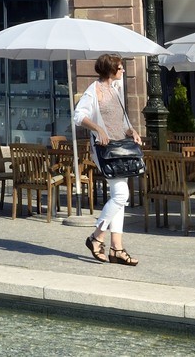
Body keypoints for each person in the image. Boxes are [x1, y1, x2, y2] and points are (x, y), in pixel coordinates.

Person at [73, 53, 141, 267]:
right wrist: (98, 128)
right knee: (122, 195)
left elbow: (122, 122)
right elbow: (78, 116)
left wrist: (132, 131)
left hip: (122, 148)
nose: (123, 71)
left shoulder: (116, 90)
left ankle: (117, 249)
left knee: (118, 199)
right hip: (106, 151)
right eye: (120, 68)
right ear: (110, 70)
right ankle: (96, 237)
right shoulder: (94, 91)